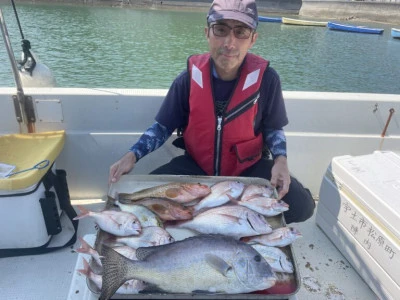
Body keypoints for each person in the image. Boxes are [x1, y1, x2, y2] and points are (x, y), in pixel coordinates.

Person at [109, 0, 315, 224]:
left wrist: (281, 161)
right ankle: (221, 217)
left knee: (303, 206)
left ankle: (238, 220)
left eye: (241, 32)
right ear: (207, 33)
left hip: (248, 170)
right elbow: (163, 127)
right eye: (221, 29)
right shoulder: (187, 80)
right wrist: (132, 156)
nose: (229, 42)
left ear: (253, 39)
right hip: (196, 169)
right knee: (143, 198)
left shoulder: (267, 80)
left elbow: (273, 127)